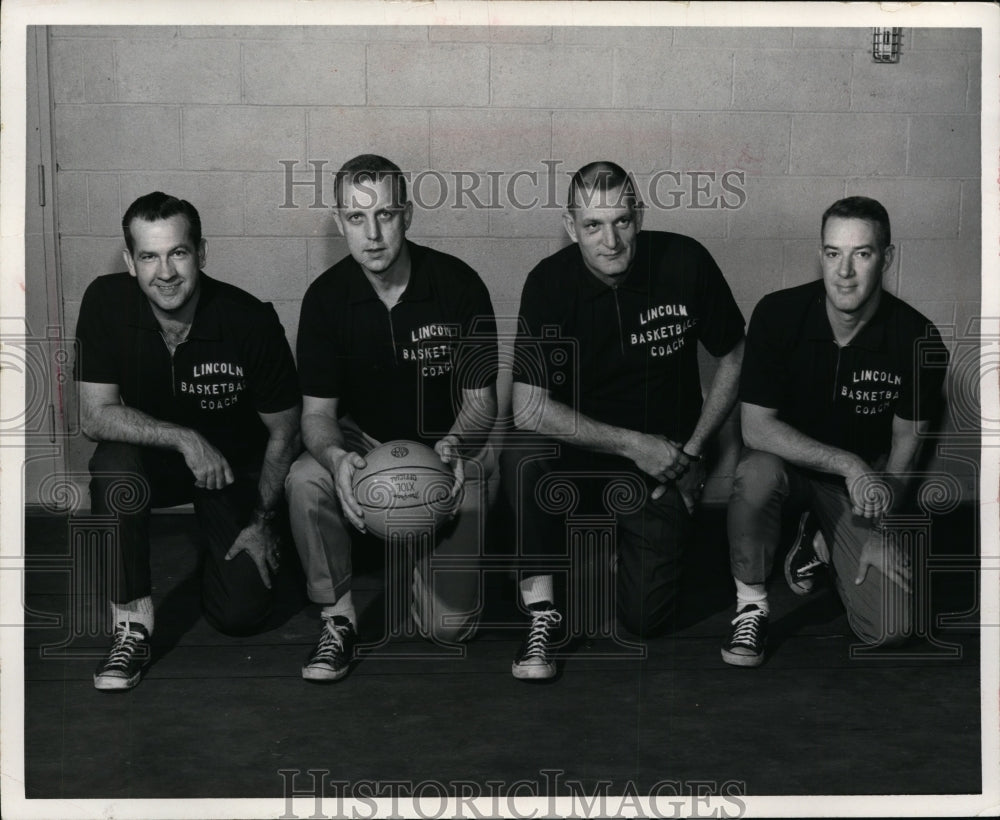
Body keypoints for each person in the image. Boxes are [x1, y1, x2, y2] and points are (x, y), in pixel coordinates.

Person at [507, 161, 746, 681]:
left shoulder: (685, 261)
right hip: (581, 454)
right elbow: (527, 405)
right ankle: (543, 612)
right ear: (571, 228)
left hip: (660, 465)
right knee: (522, 453)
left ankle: (611, 554)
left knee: (646, 620)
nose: (610, 240)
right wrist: (635, 444)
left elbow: (734, 355)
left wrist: (694, 452)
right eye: (593, 225)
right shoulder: (549, 283)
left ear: (638, 215)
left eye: (621, 221)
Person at [76, 192, 301, 691]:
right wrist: (183, 438)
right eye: (150, 256)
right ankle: (131, 625)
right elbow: (94, 416)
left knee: (242, 614)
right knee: (113, 468)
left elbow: (286, 429)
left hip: (229, 470)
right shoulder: (106, 302)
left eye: (178, 253)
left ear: (201, 253)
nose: (166, 272)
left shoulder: (248, 319)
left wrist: (263, 520)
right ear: (130, 260)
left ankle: (241, 550)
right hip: (155, 462)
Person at [286, 154, 499, 683]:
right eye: (357, 219)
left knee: (449, 628)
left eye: (386, 214)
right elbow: (316, 416)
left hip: (447, 447)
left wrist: (452, 446)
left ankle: (415, 557)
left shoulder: (458, 284)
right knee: (304, 479)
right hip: (364, 445)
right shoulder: (325, 299)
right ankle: (337, 620)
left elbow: (482, 403)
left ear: (408, 214)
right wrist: (336, 459)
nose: (373, 234)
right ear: (340, 224)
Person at [721, 196, 949, 667]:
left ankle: (819, 538)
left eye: (861, 254)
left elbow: (907, 443)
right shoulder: (778, 314)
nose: (844, 271)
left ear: (886, 258)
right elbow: (756, 428)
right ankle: (751, 605)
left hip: (859, 493)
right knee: (756, 473)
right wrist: (849, 463)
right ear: (820, 255)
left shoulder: (917, 338)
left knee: (890, 628)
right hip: (788, 468)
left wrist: (882, 529)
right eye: (832, 253)